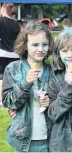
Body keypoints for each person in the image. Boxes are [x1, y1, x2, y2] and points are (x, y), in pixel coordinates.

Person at [2, 21, 54, 152]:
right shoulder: (13, 69)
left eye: (45, 44)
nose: (41, 49)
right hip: (23, 139)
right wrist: (26, 83)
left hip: (50, 137)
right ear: (25, 45)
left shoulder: (53, 70)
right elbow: (8, 101)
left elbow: (63, 99)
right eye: (35, 44)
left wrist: (50, 101)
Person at [0, 3, 20, 107]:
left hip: (2, 53)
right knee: (14, 77)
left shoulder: (0, 21)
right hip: (15, 54)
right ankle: (13, 97)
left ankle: (1, 100)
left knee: (1, 77)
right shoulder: (16, 24)